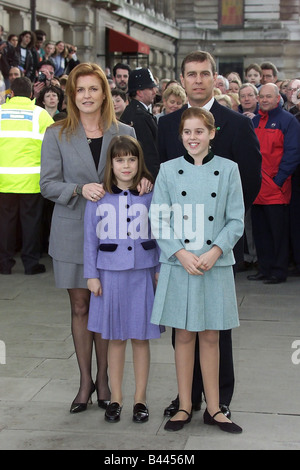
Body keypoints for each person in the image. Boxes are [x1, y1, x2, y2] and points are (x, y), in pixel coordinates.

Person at [40, 62, 152, 414]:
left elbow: (136, 171)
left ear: (105, 92)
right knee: (80, 306)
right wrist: (78, 188)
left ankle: (106, 380)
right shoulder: (56, 133)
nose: (87, 96)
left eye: (93, 88)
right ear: (72, 95)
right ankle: (85, 381)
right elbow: (46, 184)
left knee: (104, 308)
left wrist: (146, 181)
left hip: (117, 239)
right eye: (80, 90)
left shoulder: (125, 128)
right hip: (72, 231)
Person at [158, 50, 261, 419]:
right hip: (182, 248)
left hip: (217, 243)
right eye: (191, 74)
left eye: (204, 74)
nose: (198, 80)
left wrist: (220, 239)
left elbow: (248, 182)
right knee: (183, 327)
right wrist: (177, 247)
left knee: (217, 328)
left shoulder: (237, 123)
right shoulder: (168, 124)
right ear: (182, 79)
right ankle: (188, 398)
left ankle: (221, 400)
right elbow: (162, 179)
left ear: (214, 78)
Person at [150, 107, 244, 434]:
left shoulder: (229, 170)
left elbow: (235, 220)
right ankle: (185, 405)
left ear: (212, 133)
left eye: (199, 131)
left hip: (215, 264)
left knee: (211, 335)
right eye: (187, 132)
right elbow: (159, 219)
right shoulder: (167, 170)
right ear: (181, 136)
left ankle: (216, 409)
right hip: (180, 264)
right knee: (184, 335)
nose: (193, 138)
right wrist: (180, 253)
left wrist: (216, 250)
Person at [84, 135, 162, 423]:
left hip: (143, 273)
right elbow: (90, 239)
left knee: (141, 339)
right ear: (111, 164)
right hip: (110, 274)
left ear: (139, 161)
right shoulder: (99, 197)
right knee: (115, 340)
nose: (126, 165)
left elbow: (160, 234)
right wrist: (91, 275)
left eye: (131, 159)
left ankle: (140, 399)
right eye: (120, 160)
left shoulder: (150, 195)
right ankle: (115, 398)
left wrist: (159, 270)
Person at [0, 77, 53, 275]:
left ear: (10, 93)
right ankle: (31, 264)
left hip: (3, 180)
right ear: (32, 94)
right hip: (32, 180)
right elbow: (52, 146)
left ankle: (4, 263)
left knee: (5, 223)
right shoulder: (40, 114)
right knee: (31, 223)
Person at [247, 83, 300, 284]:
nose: (265, 100)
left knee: (278, 233)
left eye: (269, 96)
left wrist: (278, 180)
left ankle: (278, 271)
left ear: (278, 98)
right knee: (261, 232)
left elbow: (293, 153)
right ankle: (265, 267)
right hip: (258, 189)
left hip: (277, 189)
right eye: (262, 96)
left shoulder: (288, 121)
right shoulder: (255, 121)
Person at [120, 67, 160, 179]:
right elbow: (149, 154)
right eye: (151, 88)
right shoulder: (139, 116)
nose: (154, 92)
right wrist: (154, 179)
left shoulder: (136, 112)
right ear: (139, 92)